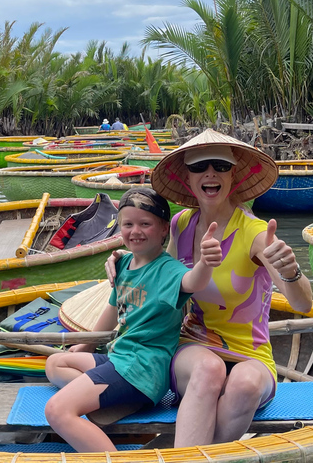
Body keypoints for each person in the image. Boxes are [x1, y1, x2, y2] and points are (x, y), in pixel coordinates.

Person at [106, 129, 313, 447]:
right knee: (209, 369)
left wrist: (291, 271)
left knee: (243, 384)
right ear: (187, 179)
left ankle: (188, 454)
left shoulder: (256, 234)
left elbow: (301, 305)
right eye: (199, 166)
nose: (210, 173)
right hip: (192, 348)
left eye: (220, 165)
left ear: (234, 176)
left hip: (251, 354)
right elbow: (156, 274)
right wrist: (121, 260)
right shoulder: (180, 225)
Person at [44, 187, 223, 452]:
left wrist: (206, 262)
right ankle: (116, 399)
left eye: (145, 224)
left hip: (142, 368)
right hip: (120, 358)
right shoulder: (124, 264)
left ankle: (118, 413)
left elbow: (192, 281)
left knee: (57, 410)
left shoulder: (167, 270)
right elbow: (112, 310)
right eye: (128, 224)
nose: (135, 231)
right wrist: (86, 346)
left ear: (164, 229)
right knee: (55, 363)